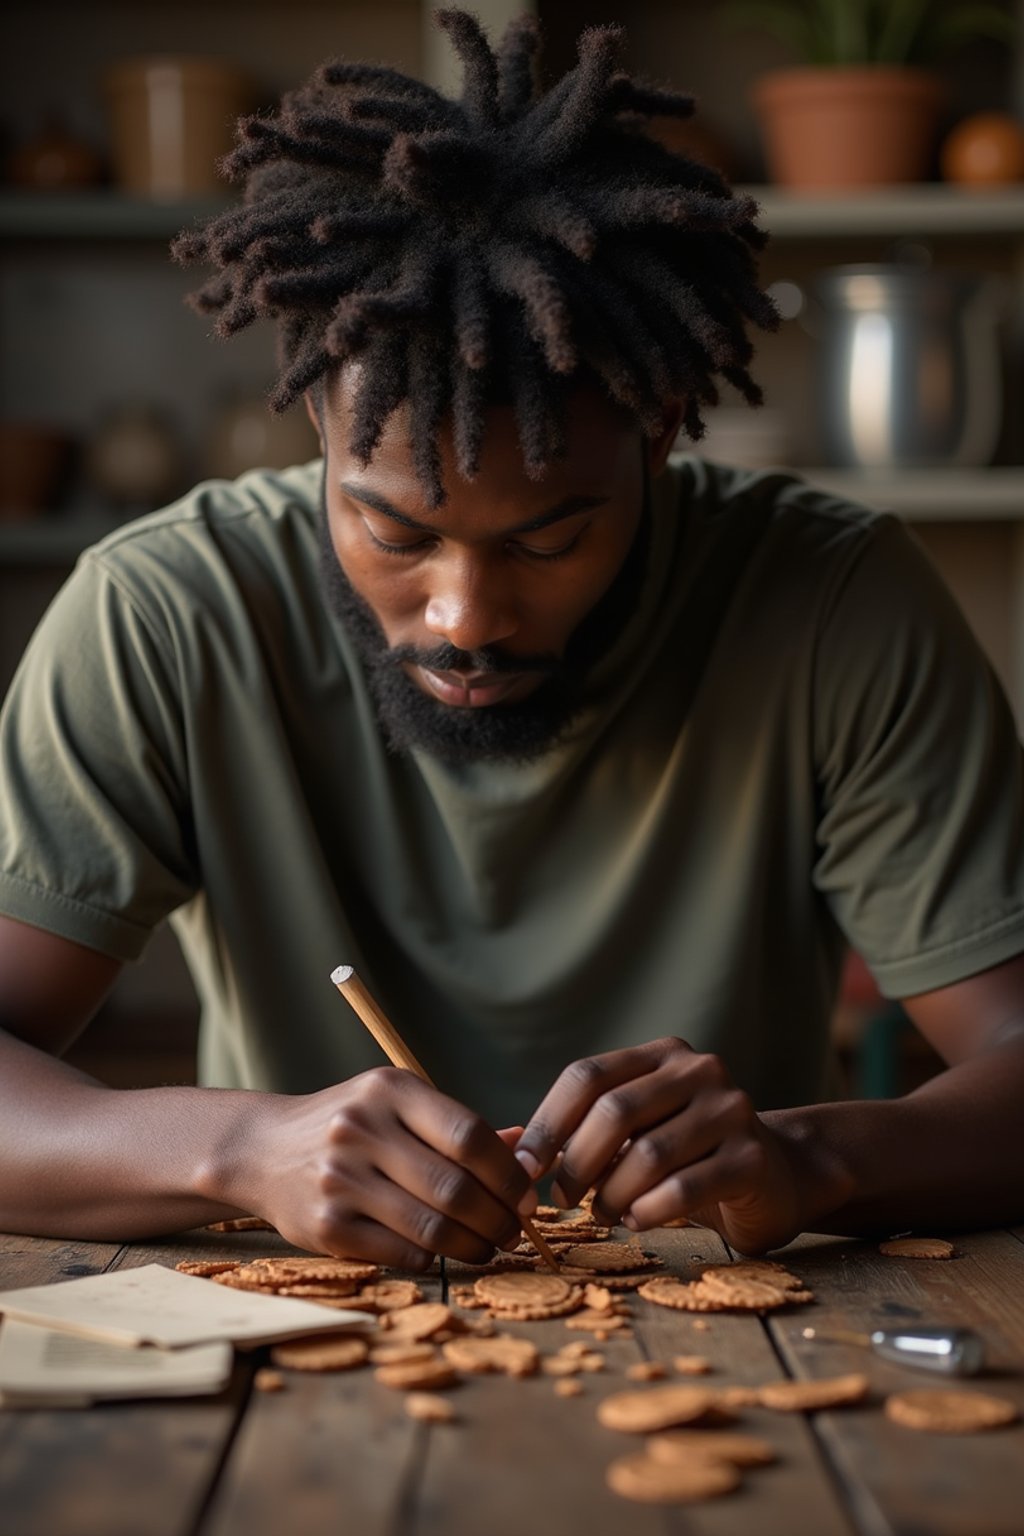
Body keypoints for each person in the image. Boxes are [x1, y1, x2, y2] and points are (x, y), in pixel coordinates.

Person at [1, 10, 1022, 1271]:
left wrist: (805, 1158)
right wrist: (239, 1153)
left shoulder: (832, 599)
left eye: (548, 541)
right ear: (317, 427)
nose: (465, 617)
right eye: (393, 531)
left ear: (657, 435)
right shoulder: (162, 614)